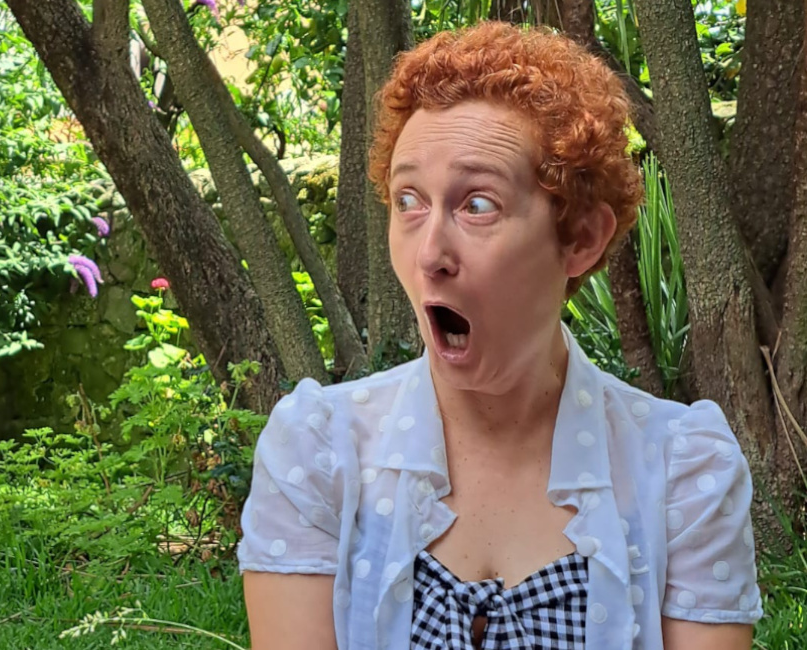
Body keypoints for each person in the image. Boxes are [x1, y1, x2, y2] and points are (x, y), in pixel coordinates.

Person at [238, 21, 762, 650]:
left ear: (581, 238)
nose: (429, 254)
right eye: (409, 201)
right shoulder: (319, 453)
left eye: (477, 205)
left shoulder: (684, 473)